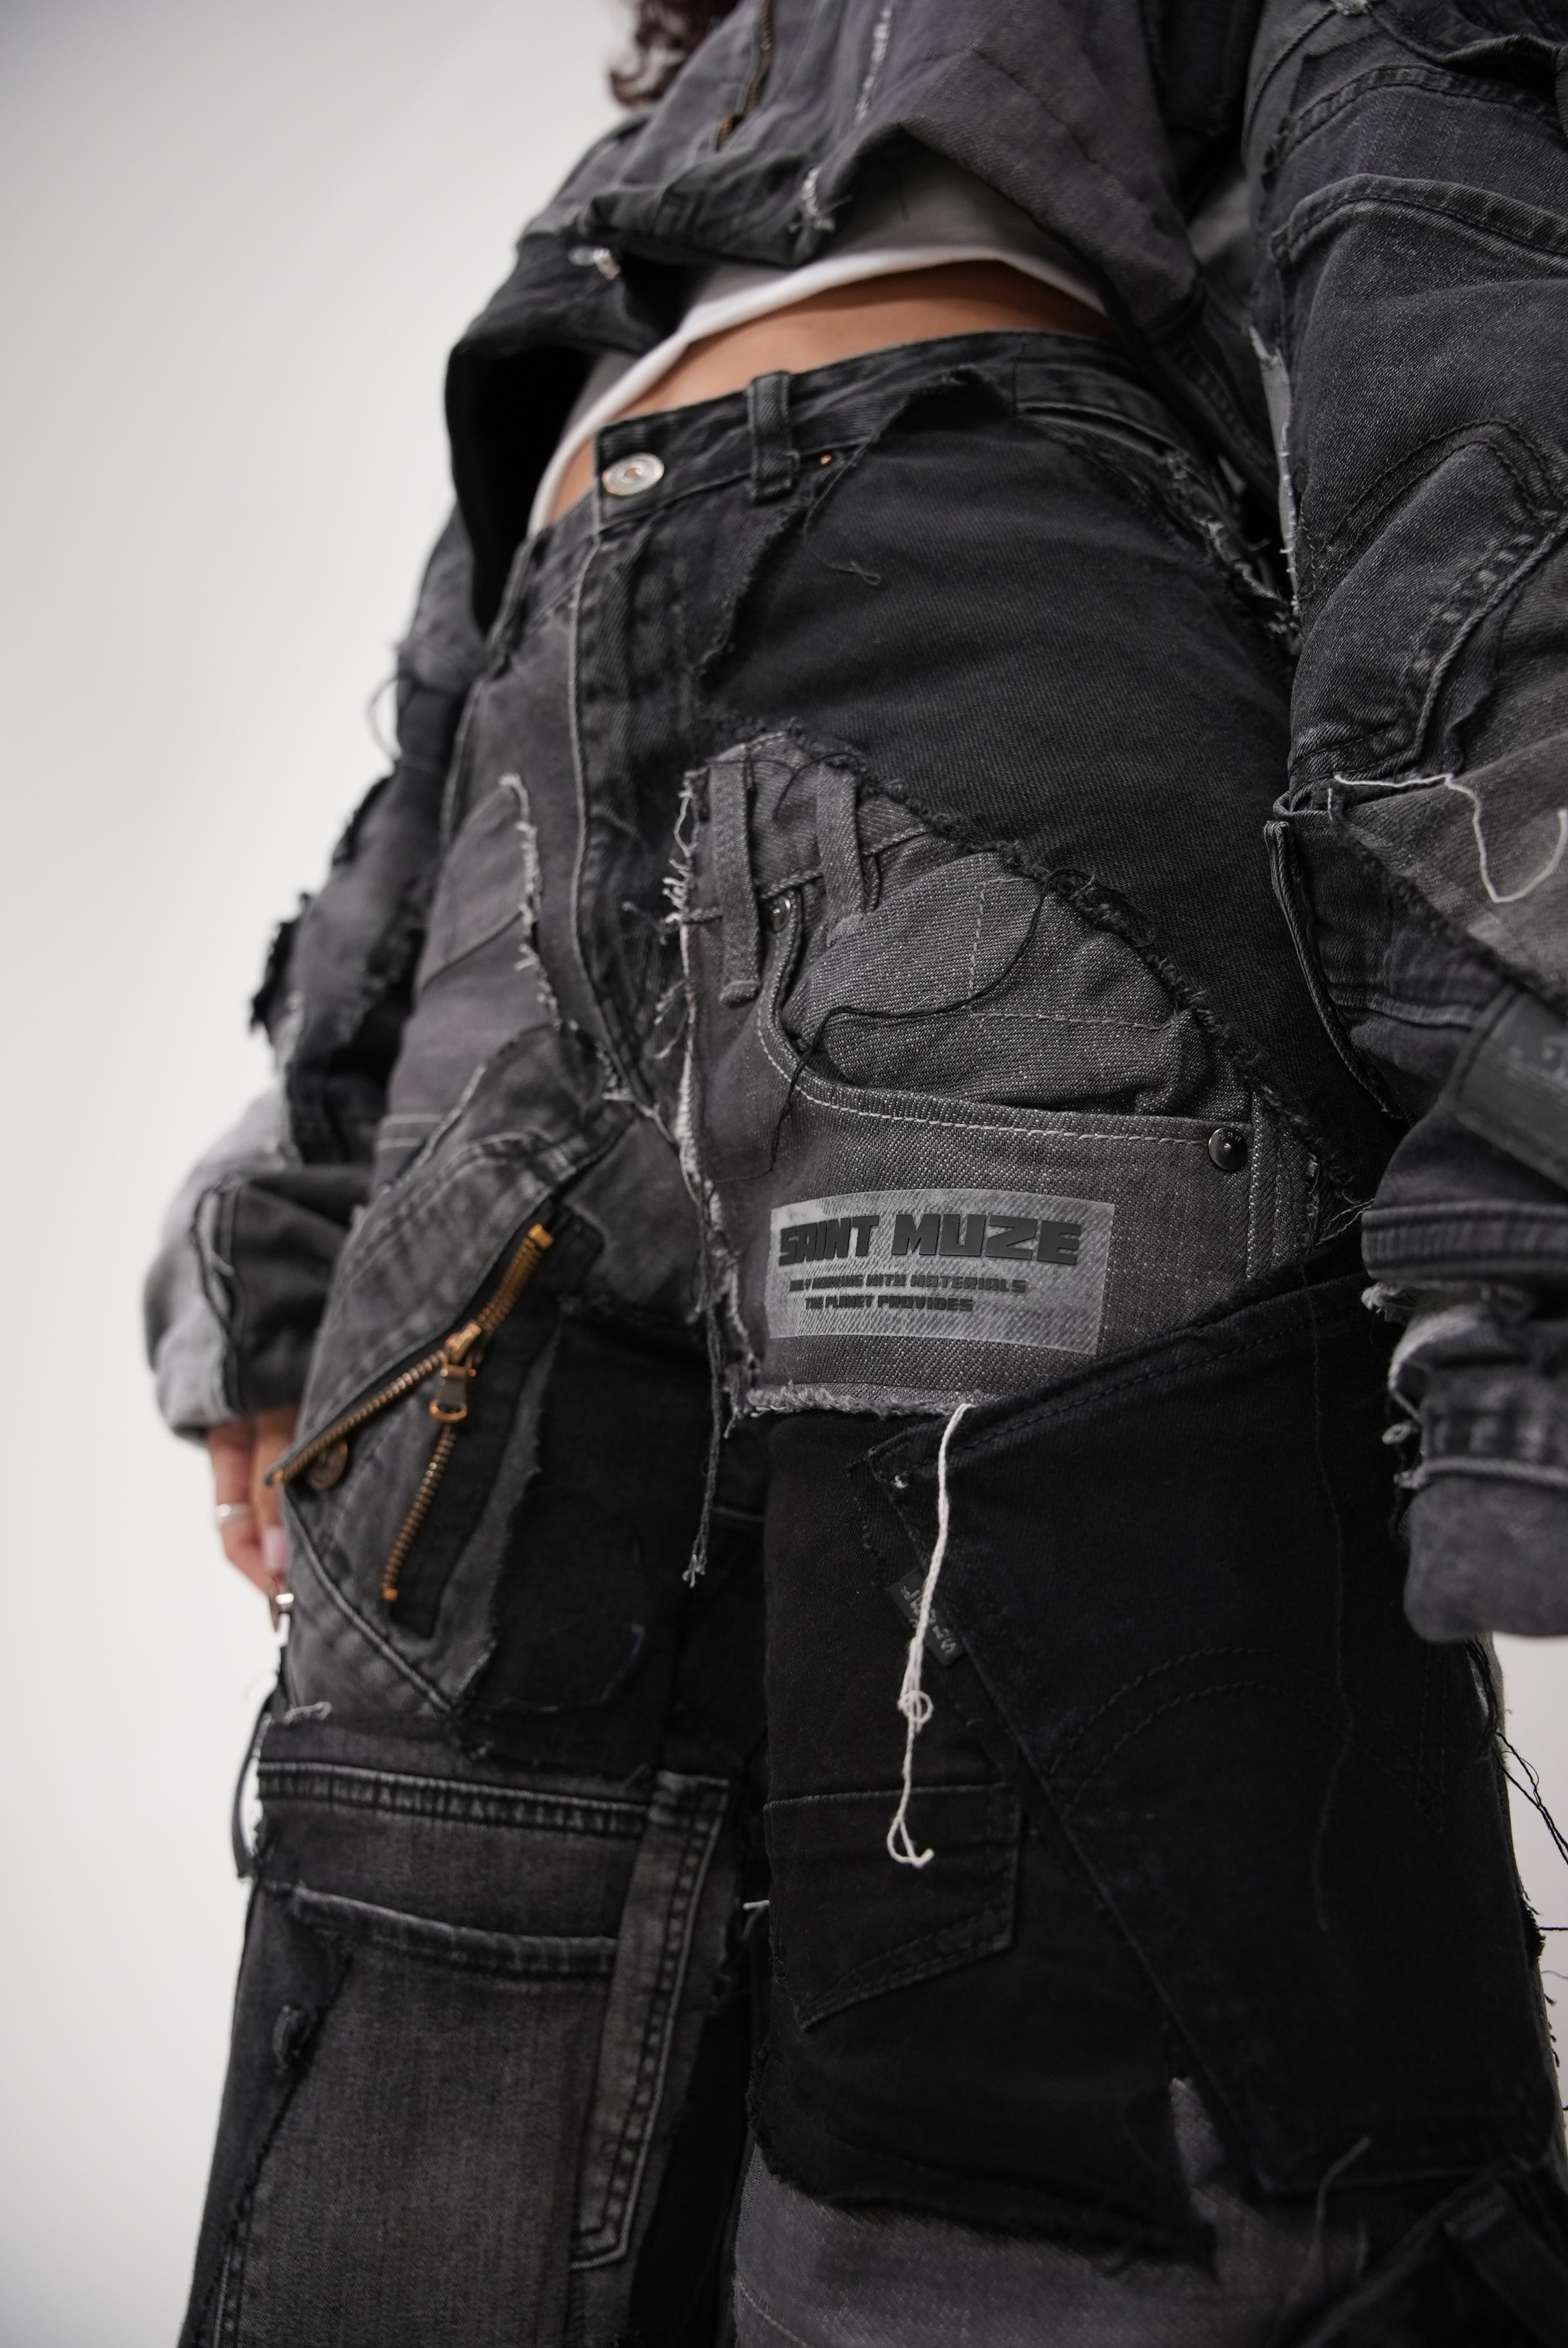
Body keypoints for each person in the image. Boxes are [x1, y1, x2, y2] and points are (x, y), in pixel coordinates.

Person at [147, 1, 1568, 2340]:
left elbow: (1450, 234)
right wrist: (285, 1209)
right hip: (541, 787)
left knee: (1040, 2106)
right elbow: (446, 683)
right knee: (420, 2022)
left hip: (1000, 647)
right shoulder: (672, 129)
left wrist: (1525, 1087)